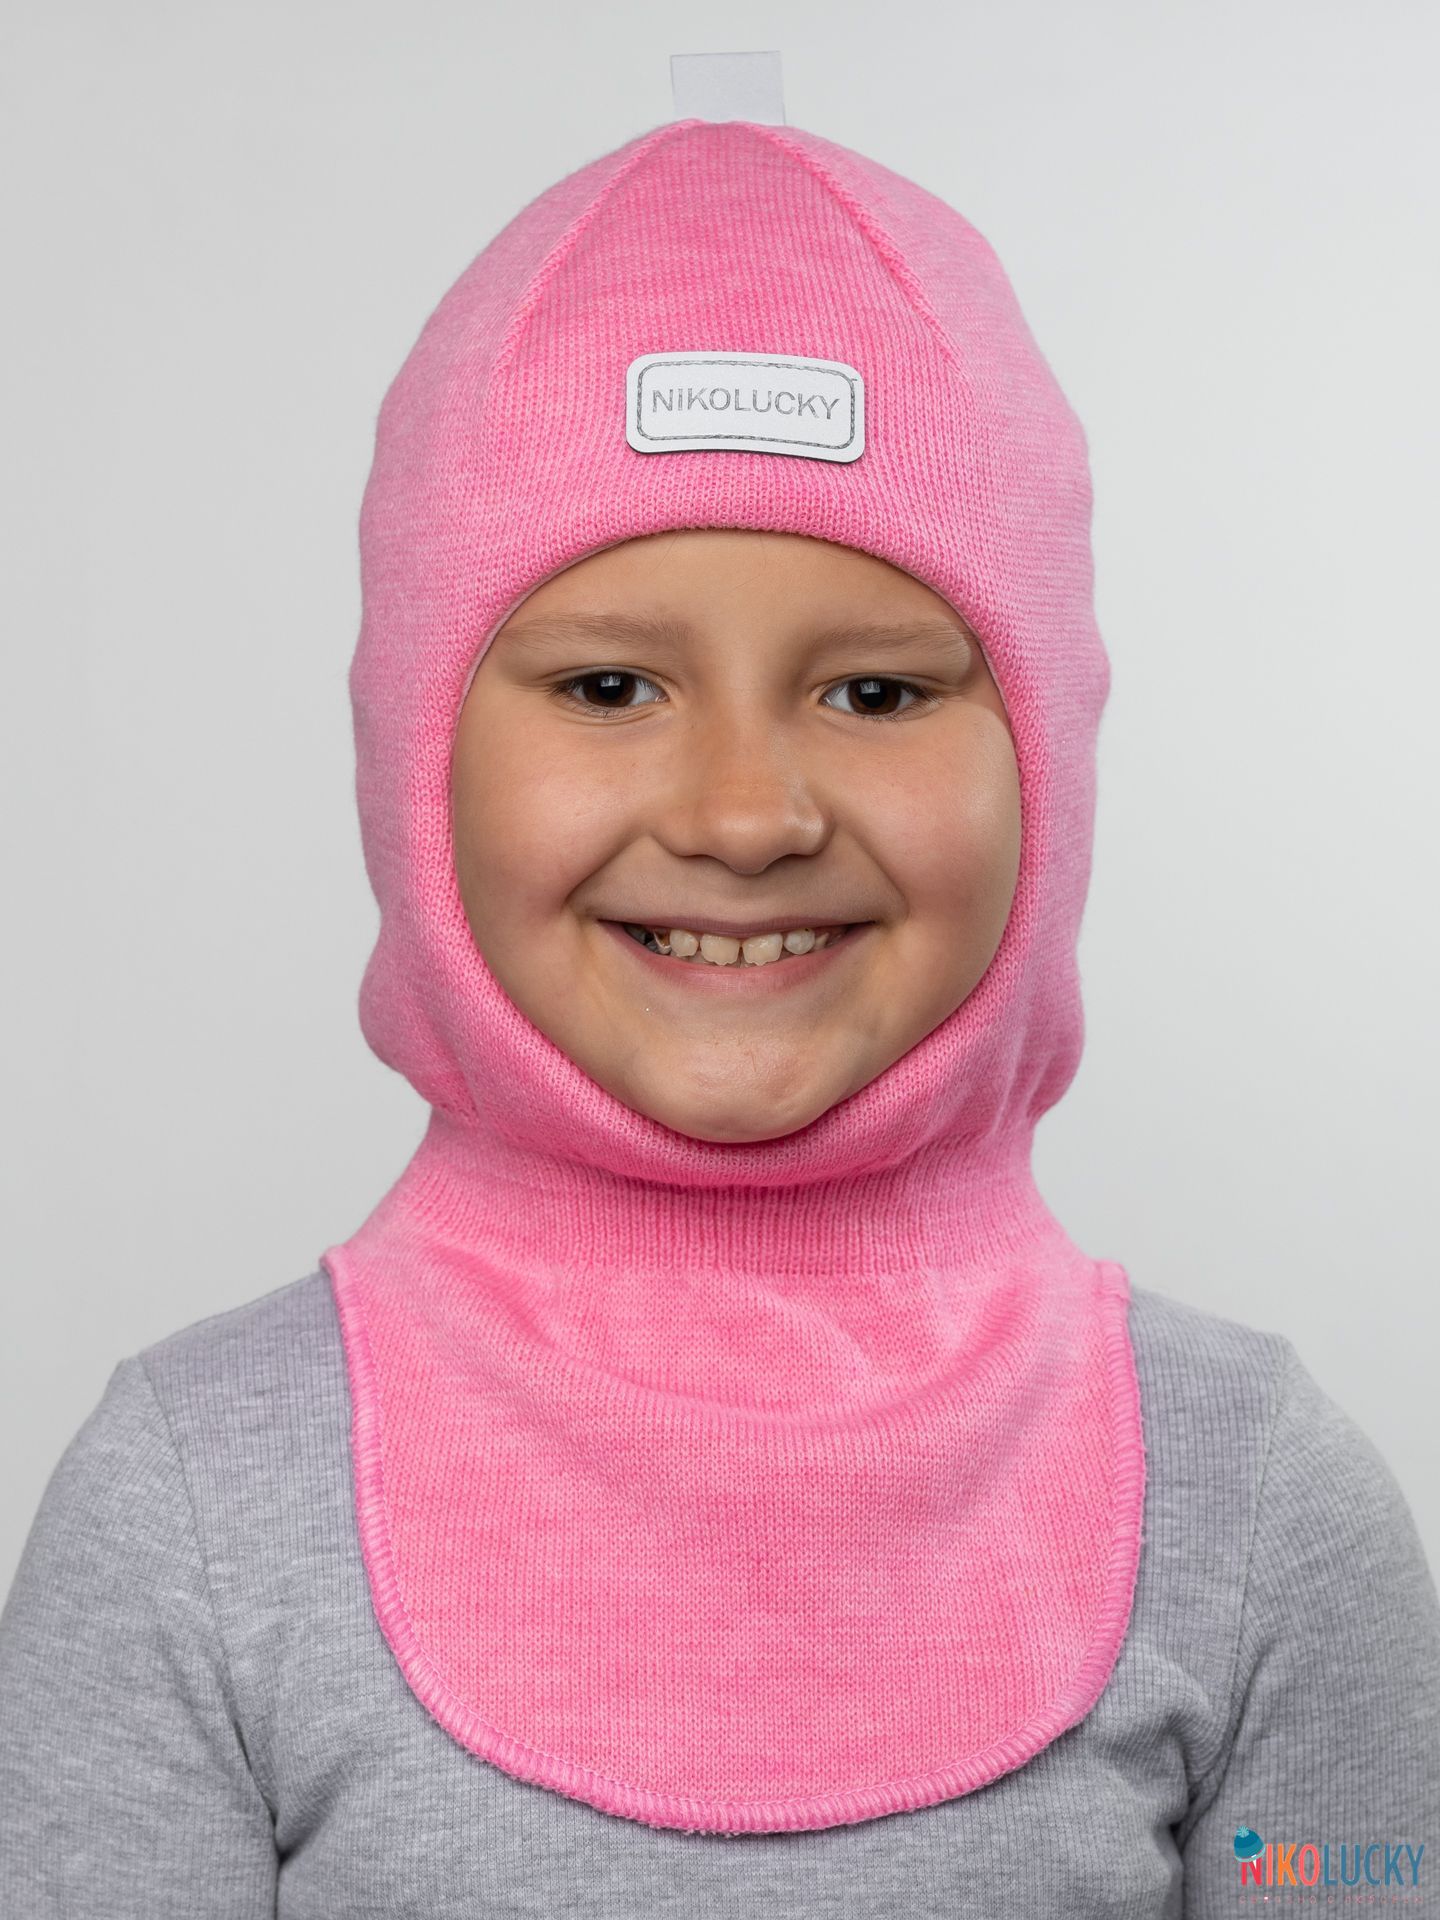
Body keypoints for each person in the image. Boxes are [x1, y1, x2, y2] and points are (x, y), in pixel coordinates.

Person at [2, 115, 1437, 1918]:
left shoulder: (1262, 1510)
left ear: (1049, 762)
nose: (747, 816)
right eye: (610, 685)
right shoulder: (194, 1508)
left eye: (876, 692)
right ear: (412, 757)